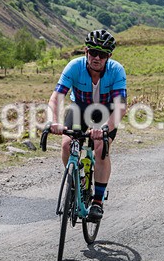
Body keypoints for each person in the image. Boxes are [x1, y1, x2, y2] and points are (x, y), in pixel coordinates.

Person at [47, 29, 127, 220]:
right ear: (86, 51)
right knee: (67, 145)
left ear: (109, 56)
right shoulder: (74, 67)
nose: (96, 57)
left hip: (106, 112)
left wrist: (106, 128)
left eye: (102, 54)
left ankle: (97, 202)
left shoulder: (116, 71)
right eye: (93, 52)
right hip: (80, 108)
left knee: (100, 148)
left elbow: (120, 107)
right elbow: (56, 97)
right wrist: (52, 121)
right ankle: (80, 178)